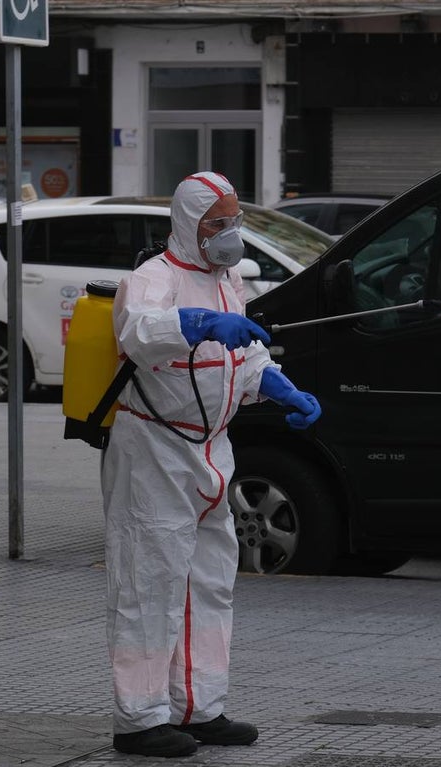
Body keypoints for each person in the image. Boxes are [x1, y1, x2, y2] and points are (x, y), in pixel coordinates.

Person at [101, 171, 321, 758]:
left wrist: (278, 386)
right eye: (216, 223)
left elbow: (244, 358)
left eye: (234, 220)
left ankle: (199, 707)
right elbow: (140, 334)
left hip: (211, 450)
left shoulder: (229, 284)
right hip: (154, 450)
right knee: (150, 586)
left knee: (210, 584)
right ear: (188, 225)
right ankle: (140, 720)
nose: (230, 233)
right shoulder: (153, 279)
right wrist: (196, 325)